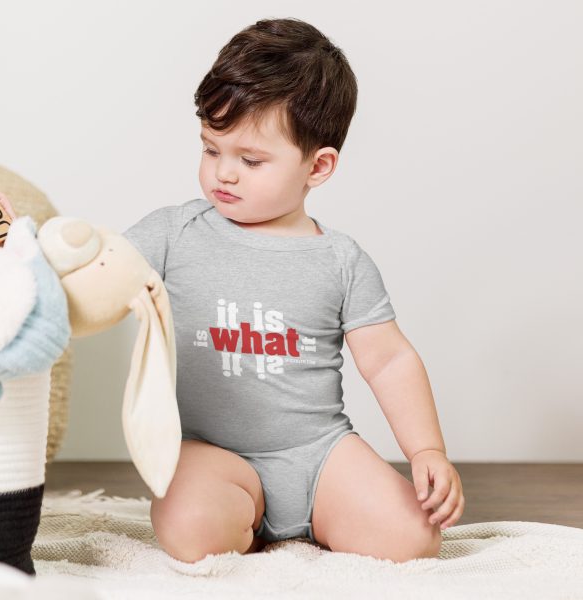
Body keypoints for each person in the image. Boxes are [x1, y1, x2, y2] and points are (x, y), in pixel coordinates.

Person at [123, 17, 464, 564]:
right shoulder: (174, 233)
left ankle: (303, 521)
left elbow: (389, 361)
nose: (223, 174)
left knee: (414, 539)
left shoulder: (341, 260)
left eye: (250, 160)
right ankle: (247, 521)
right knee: (189, 529)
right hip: (212, 451)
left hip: (317, 453)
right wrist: (26, 249)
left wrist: (426, 449)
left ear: (318, 165)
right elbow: (100, 269)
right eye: (212, 150)